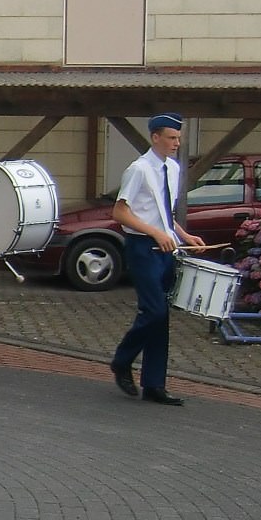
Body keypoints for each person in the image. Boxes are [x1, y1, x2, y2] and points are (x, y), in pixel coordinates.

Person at [108, 113, 207, 406]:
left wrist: (184, 236)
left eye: (178, 138)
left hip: (165, 247)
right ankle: (122, 360)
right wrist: (154, 233)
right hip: (142, 247)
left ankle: (154, 383)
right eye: (171, 138)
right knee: (153, 311)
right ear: (155, 137)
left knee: (161, 316)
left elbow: (163, 213)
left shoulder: (172, 169)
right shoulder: (138, 169)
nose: (177, 143)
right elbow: (120, 212)